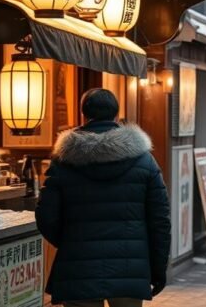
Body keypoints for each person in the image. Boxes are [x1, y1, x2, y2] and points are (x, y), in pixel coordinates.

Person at [36, 88, 170, 307]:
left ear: (84, 114)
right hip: (130, 266)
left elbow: (45, 215)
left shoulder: (64, 161)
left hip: (79, 267)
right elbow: (160, 220)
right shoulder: (144, 161)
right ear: (116, 115)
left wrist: (71, 240)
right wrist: (158, 267)